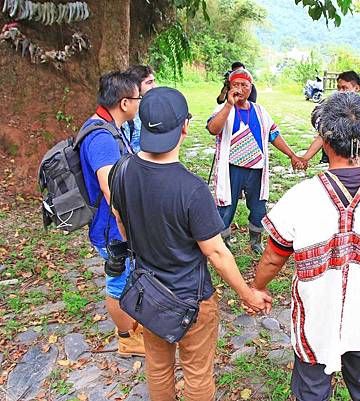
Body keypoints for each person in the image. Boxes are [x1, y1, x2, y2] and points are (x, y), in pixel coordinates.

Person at [249, 92, 360, 401]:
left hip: (315, 317)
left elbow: (272, 258)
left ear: (324, 138)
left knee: (311, 389)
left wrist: (258, 287)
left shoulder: (301, 197)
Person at [110, 87, 271, 401]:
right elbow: (215, 251)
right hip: (192, 301)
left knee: (157, 367)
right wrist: (247, 293)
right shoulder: (191, 189)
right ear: (184, 127)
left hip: (149, 294)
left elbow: (120, 220)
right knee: (197, 374)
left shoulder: (122, 171)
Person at [78, 71, 143, 356]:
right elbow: (111, 192)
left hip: (113, 226)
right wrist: (128, 231)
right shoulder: (103, 138)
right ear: (125, 103)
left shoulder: (109, 127)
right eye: (138, 98)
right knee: (118, 281)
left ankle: (131, 325)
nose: (141, 103)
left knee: (126, 278)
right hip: (111, 230)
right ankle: (127, 338)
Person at [207, 68, 304, 254]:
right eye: (236, 84)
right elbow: (213, 129)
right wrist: (228, 105)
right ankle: (224, 242)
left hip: (256, 169)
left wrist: (292, 155)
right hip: (231, 169)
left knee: (259, 206)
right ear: (229, 87)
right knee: (226, 206)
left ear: (251, 88)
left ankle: (256, 241)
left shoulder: (260, 111)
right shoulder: (223, 109)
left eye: (245, 85)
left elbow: (273, 135)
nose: (241, 89)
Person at [298, 71, 360, 168]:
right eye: (339, 87)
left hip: (359, 164)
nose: (341, 91)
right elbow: (322, 135)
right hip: (335, 163)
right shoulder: (331, 108)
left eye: (345, 88)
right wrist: (305, 158)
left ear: (356, 88)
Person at [122, 65, 157, 153]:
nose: (154, 86)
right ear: (135, 86)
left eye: (154, 81)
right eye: (149, 83)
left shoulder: (150, 107)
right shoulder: (127, 112)